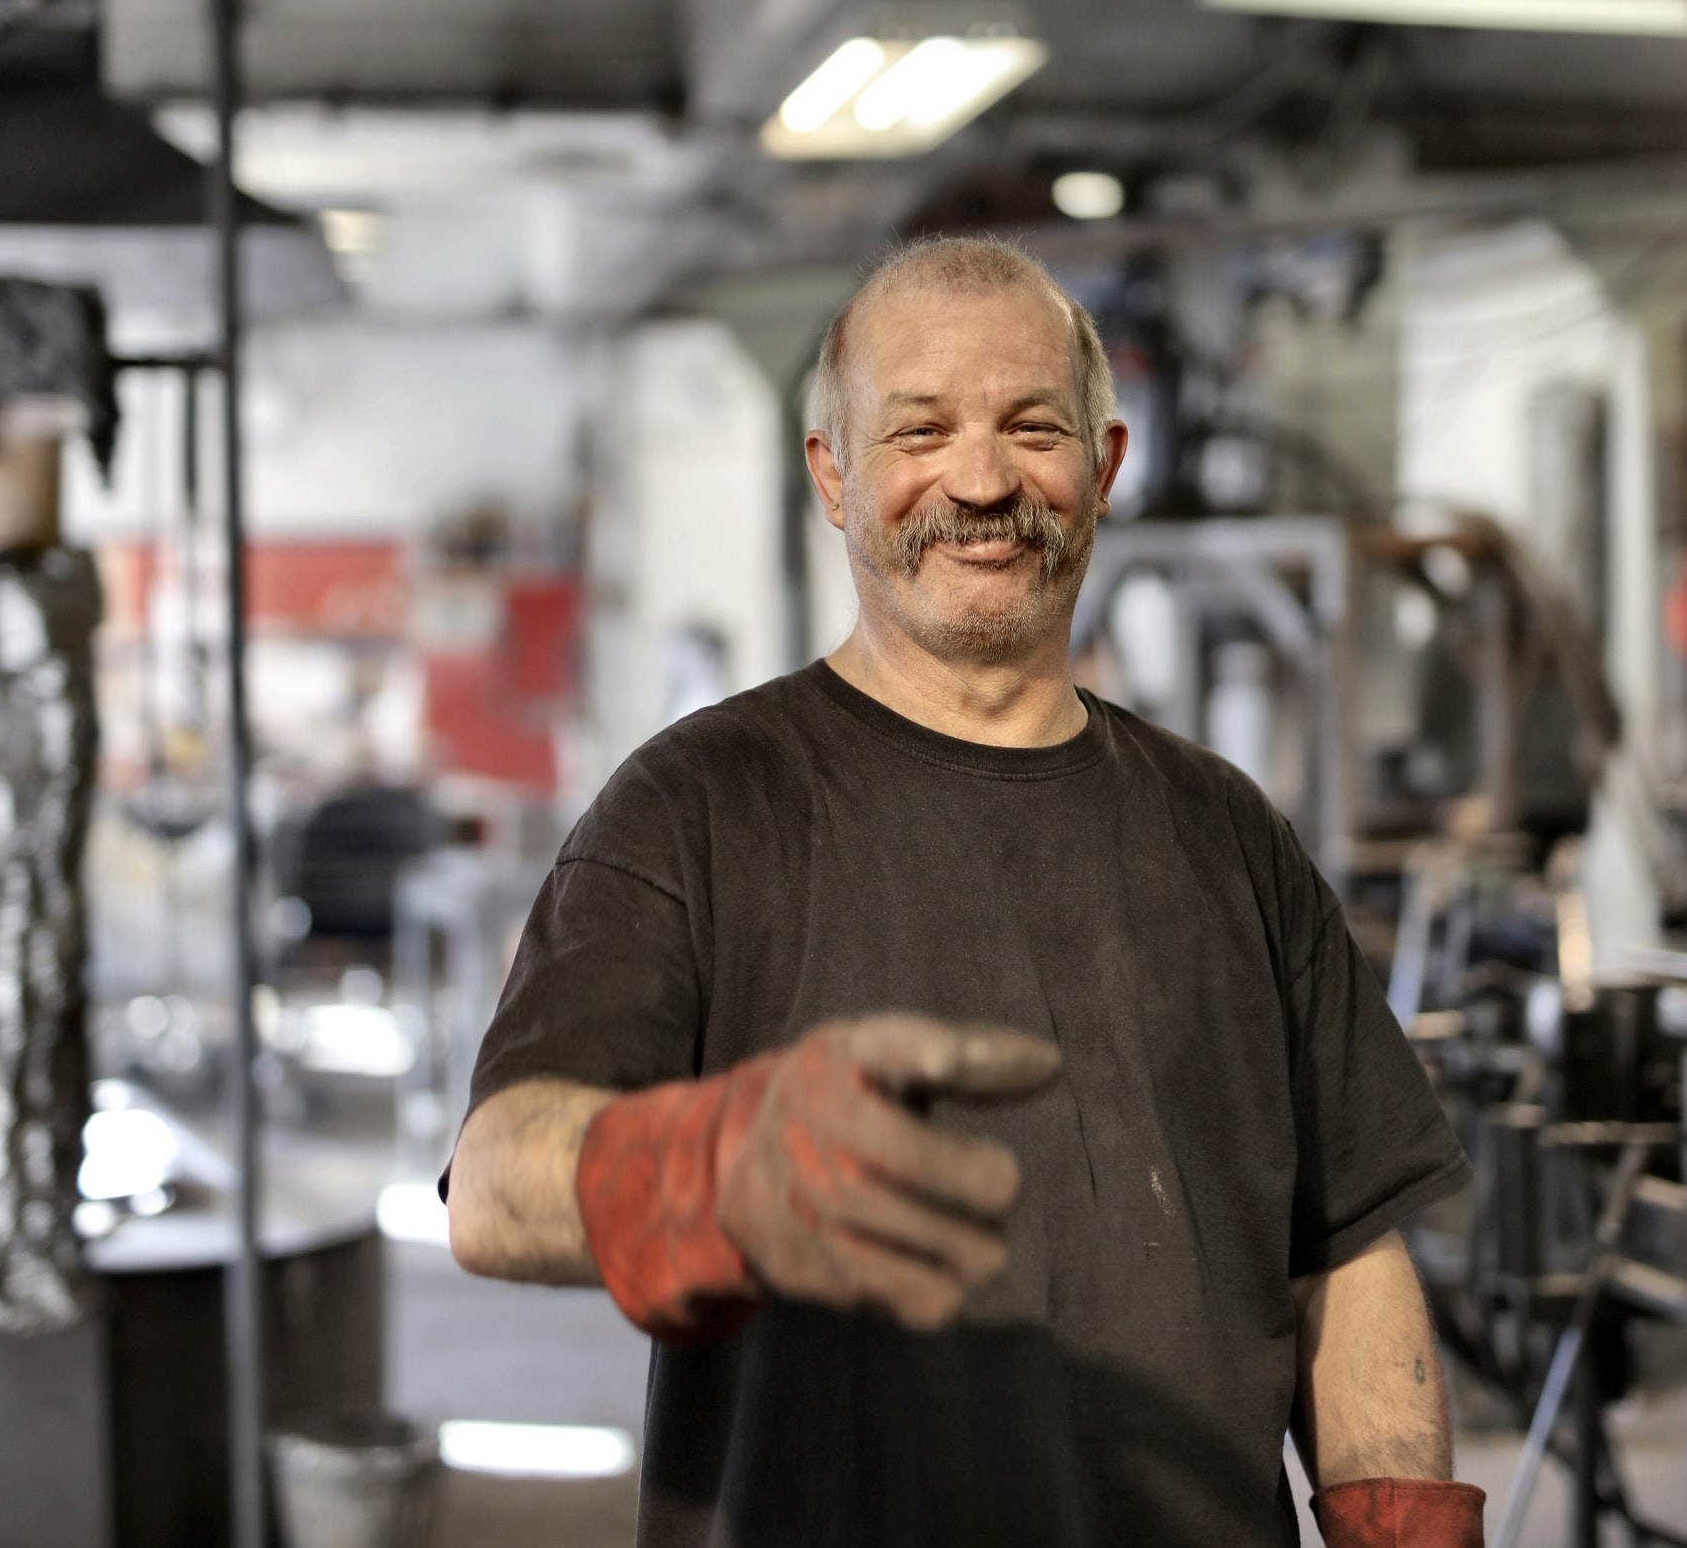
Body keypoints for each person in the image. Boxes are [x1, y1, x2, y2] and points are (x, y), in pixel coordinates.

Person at [444, 236, 1483, 1548]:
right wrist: (712, 1168)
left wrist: (1408, 1537)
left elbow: (1346, 1251)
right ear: (835, 474)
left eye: (1032, 428)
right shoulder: (696, 805)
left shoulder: (1226, 830)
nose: (982, 481)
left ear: (1103, 470)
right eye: (921, 430)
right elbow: (493, 1188)